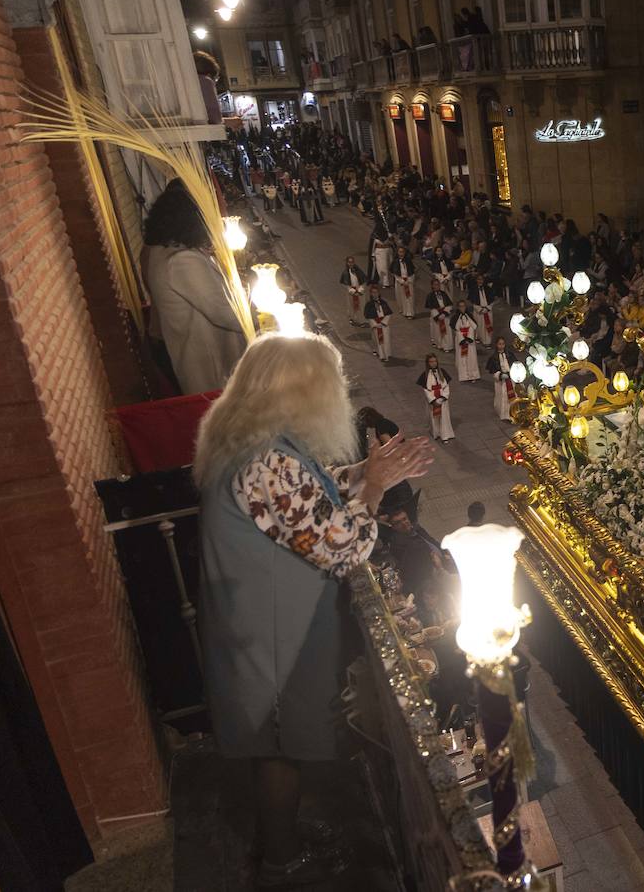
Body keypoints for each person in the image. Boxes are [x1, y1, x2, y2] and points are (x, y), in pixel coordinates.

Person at [194, 333, 433, 885]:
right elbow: (343, 544)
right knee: (280, 746)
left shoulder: (250, 440)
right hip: (273, 634)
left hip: (256, 623)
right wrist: (373, 488)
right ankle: (283, 859)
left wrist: (367, 475)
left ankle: (285, 836)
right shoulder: (267, 463)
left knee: (278, 744)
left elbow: (305, 497)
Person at [141, 181, 248, 394]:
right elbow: (227, 314)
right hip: (208, 359)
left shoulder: (155, 249)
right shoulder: (183, 260)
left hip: (181, 348)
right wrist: (250, 299)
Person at [417, 354, 455, 442]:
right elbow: (426, 390)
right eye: (431, 362)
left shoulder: (442, 372)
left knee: (443, 417)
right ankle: (436, 433)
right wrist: (434, 400)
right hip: (433, 400)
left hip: (442, 400)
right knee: (434, 417)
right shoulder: (425, 375)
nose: (433, 363)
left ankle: (445, 435)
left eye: (435, 361)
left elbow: (446, 387)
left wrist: (442, 398)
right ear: (427, 363)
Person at [487, 336, 517, 422]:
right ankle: (503, 414)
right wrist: (500, 375)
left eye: (503, 344)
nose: (501, 346)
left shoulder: (510, 355)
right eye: (499, 344)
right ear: (496, 345)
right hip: (501, 382)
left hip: (510, 379)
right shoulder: (494, 358)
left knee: (512, 396)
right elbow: (493, 371)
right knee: (502, 396)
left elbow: (514, 364)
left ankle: (512, 412)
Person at [363, 283, 394, 362]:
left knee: (386, 340)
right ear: (370, 293)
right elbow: (368, 316)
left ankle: (386, 354)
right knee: (377, 340)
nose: (375, 294)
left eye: (376, 292)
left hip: (384, 324)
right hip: (376, 325)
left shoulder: (383, 303)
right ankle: (381, 355)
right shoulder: (369, 305)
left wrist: (383, 322)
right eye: (373, 292)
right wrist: (375, 324)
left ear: (379, 293)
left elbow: (388, 313)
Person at [453, 300, 480, 381]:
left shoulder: (469, 316)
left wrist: (469, 338)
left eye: (464, 306)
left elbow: (473, 327)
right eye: (460, 306)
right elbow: (456, 329)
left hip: (470, 340)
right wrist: (462, 339)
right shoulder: (455, 317)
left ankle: (473, 375)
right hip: (460, 340)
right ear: (458, 307)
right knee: (462, 358)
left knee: (471, 358)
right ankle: (464, 376)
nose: (462, 308)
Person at [425, 277, 454, 351]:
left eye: (438, 284)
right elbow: (432, 308)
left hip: (445, 315)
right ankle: (440, 344)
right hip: (436, 315)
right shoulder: (430, 296)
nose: (437, 286)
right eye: (435, 284)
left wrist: (444, 313)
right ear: (432, 286)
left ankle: (447, 345)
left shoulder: (444, 293)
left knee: (447, 331)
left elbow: (449, 304)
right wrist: (438, 316)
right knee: (437, 331)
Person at [339, 256, 366, 327]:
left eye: (352, 262)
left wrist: (360, 289)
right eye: (349, 262)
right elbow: (346, 284)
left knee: (361, 306)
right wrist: (352, 291)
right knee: (352, 306)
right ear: (347, 263)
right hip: (351, 292)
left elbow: (363, 281)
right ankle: (353, 319)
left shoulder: (358, 270)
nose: (351, 264)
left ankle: (361, 320)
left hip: (359, 290)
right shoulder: (345, 273)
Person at [396, 246, 416, 319]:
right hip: (400, 282)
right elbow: (395, 274)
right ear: (397, 253)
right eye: (400, 252)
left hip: (408, 281)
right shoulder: (396, 262)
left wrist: (409, 280)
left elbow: (412, 272)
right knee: (403, 297)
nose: (401, 253)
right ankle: (405, 311)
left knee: (410, 297)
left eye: (402, 252)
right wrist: (401, 281)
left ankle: (410, 312)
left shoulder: (408, 261)